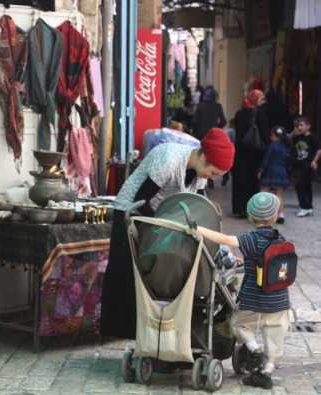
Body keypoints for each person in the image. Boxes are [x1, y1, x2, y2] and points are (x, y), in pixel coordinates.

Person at [101, 128, 235, 339]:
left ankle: (146, 330)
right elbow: (142, 200)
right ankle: (119, 331)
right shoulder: (169, 159)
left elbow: (198, 204)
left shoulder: (198, 171)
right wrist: (165, 226)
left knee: (155, 268)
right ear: (204, 157)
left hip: (162, 217)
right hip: (131, 208)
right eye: (213, 173)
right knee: (127, 269)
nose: (211, 178)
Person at [197, 192, 290, 390]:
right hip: (279, 299)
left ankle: (254, 349)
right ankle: (266, 373)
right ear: (274, 217)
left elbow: (225, 239)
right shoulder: (280, 239)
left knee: (239, 324)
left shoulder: (251, 239)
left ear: (250, 216)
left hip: (252, 298)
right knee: (275, 334)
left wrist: (199, 228)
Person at [232, 89, 270, 218]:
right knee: (253, 181)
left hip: (240, 153)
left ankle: (240, 208)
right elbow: (265, 135)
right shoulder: (260, 114)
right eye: (260, 99)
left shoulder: (239, 114)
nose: (262, 101)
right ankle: (251, 210)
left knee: (240, 180)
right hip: (255, 153)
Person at [288, 117, 321, 217]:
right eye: (298, 125)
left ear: (308, 126)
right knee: (303, 185)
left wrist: (315, 161)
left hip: (307, 164)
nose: (300, 127)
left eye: (302, 125)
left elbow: (319, 150)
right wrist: (295, 130)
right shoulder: (298, 137)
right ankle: (308, 207)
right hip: (298, 164)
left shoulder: (312, 137)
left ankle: (305, 207)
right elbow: (289, 138)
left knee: (302, 186)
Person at [258, 126, 291, 224]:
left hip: (270, 171)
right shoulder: (285, 146)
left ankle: (262, 215)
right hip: (282, 171)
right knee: (279, 194)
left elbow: (266, 160)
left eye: (271, 135)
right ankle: (281, 215)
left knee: (263, 192)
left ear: (275, 136)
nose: (270, 136)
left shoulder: (272, 146)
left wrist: (261, 170)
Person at [221, 118, 236, 186]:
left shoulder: (227, 131)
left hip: (227, 150)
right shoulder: (237, 131)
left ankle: (225, 177)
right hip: (235, 150)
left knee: (227, 166)